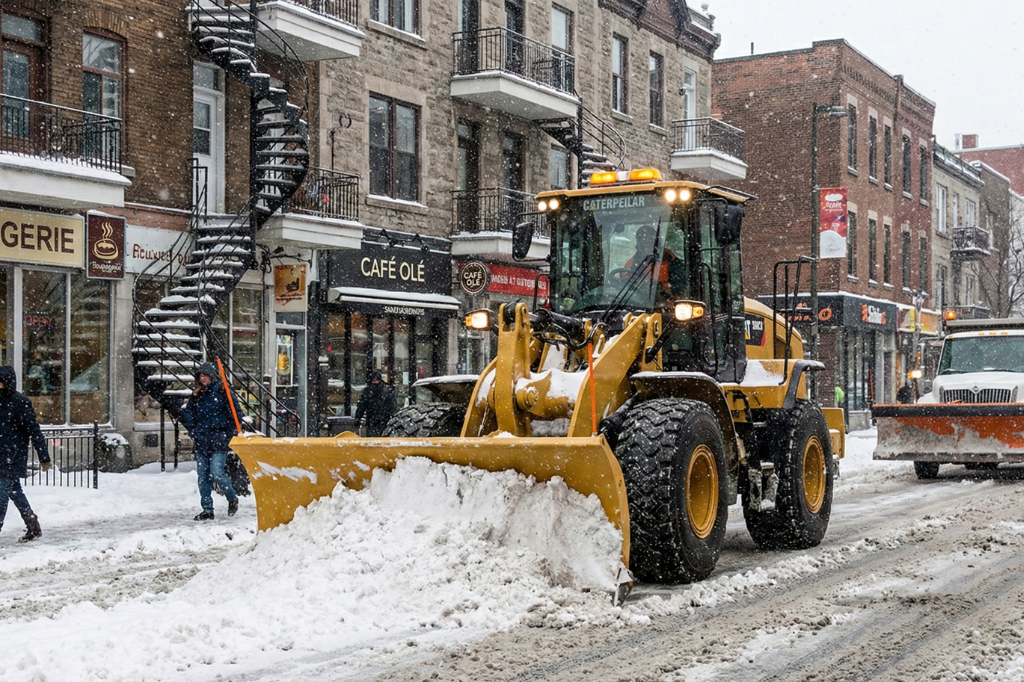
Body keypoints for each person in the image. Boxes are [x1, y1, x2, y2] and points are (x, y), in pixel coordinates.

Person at [171, 362, 243, 521]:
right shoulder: (197, 394)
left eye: (205, 375)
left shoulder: (223, 391)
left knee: (217, 472)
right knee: (203, 477)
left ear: (211, 375)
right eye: (200, 376)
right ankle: (207, 510)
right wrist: (193, 430)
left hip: (219, 439)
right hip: (202, 440)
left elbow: (236, 413)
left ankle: (232, 498)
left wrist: (229, 433)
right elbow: (188, 412)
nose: (203, 379)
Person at [0, 365, 52, 542]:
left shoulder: (20, 402)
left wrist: (44, 457)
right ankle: (32, 525)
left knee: (1, 495)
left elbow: (34, 431)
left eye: (1, 382)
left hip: (12, 457)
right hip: (3, 455)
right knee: (15, 492)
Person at [354, 370, 397, 437]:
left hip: (383, 421)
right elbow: (361, 406)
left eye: (376, 381)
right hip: (373, 421)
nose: (375, 383)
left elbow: (392, 407)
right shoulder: (368, 392)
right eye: (373, 381)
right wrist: (358, 417)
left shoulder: (386, 392)